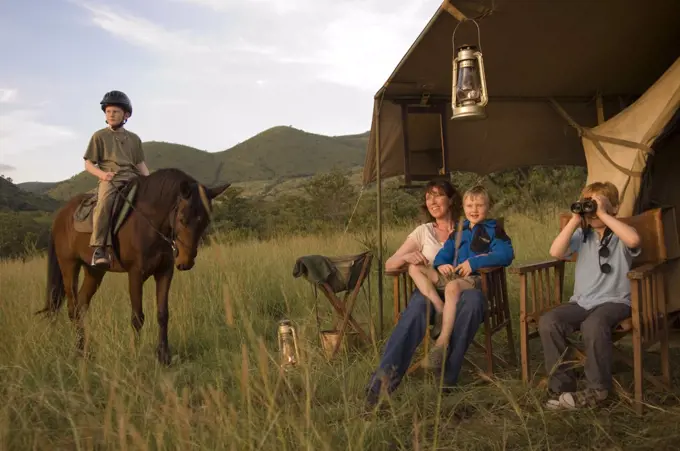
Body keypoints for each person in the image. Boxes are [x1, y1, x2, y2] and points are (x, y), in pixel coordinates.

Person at [364, 179, 486, 408]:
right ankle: (379, 387)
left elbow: (491, 250)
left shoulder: (469, 227)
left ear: (451, 200)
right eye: (428, 197)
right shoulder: (423, 232)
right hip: (428, 292)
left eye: (438, 195)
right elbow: (391, 264)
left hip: (462, 288)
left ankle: (446, 379)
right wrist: (406, 257)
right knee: (416, 310)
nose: (432, 201)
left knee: (474, 302)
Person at [539, 181, 641, 410]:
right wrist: (576, 219)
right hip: (582, 301)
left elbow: (634, 241)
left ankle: (598, 390)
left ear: (614, 208)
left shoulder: (622, 234)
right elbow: (555, 252)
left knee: (593, 325)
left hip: (616, 301)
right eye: (589, 206)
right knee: (549, 322)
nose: (593, 212)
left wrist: (604, 214)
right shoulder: (582, 236)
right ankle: (562, 388)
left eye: (598, 206)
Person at [419, 185, 514, 370]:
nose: (474, 210)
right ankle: (439, 310)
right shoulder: (459, 232)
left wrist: (474, 263)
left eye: (479, 205)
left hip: (479, 280)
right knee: (418, 270)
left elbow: (506, 254)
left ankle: (442, 342)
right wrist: (441, 264)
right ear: (463, 208)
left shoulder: (493, 230)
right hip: (455, 277)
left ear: (488, 207)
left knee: (452, 287)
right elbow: (443, 254)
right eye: (470, 205)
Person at [83, 90, 150, 267]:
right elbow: (88, 164)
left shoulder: (134, 139)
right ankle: (100, 248)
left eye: (116, 112)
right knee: (104, 203)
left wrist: (150, 181)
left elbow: (140, 163)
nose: (111, 115)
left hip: (134, 178)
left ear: (126, 115)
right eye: (108, 111)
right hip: (111, 179)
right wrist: (103, 175)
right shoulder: (99, 136)